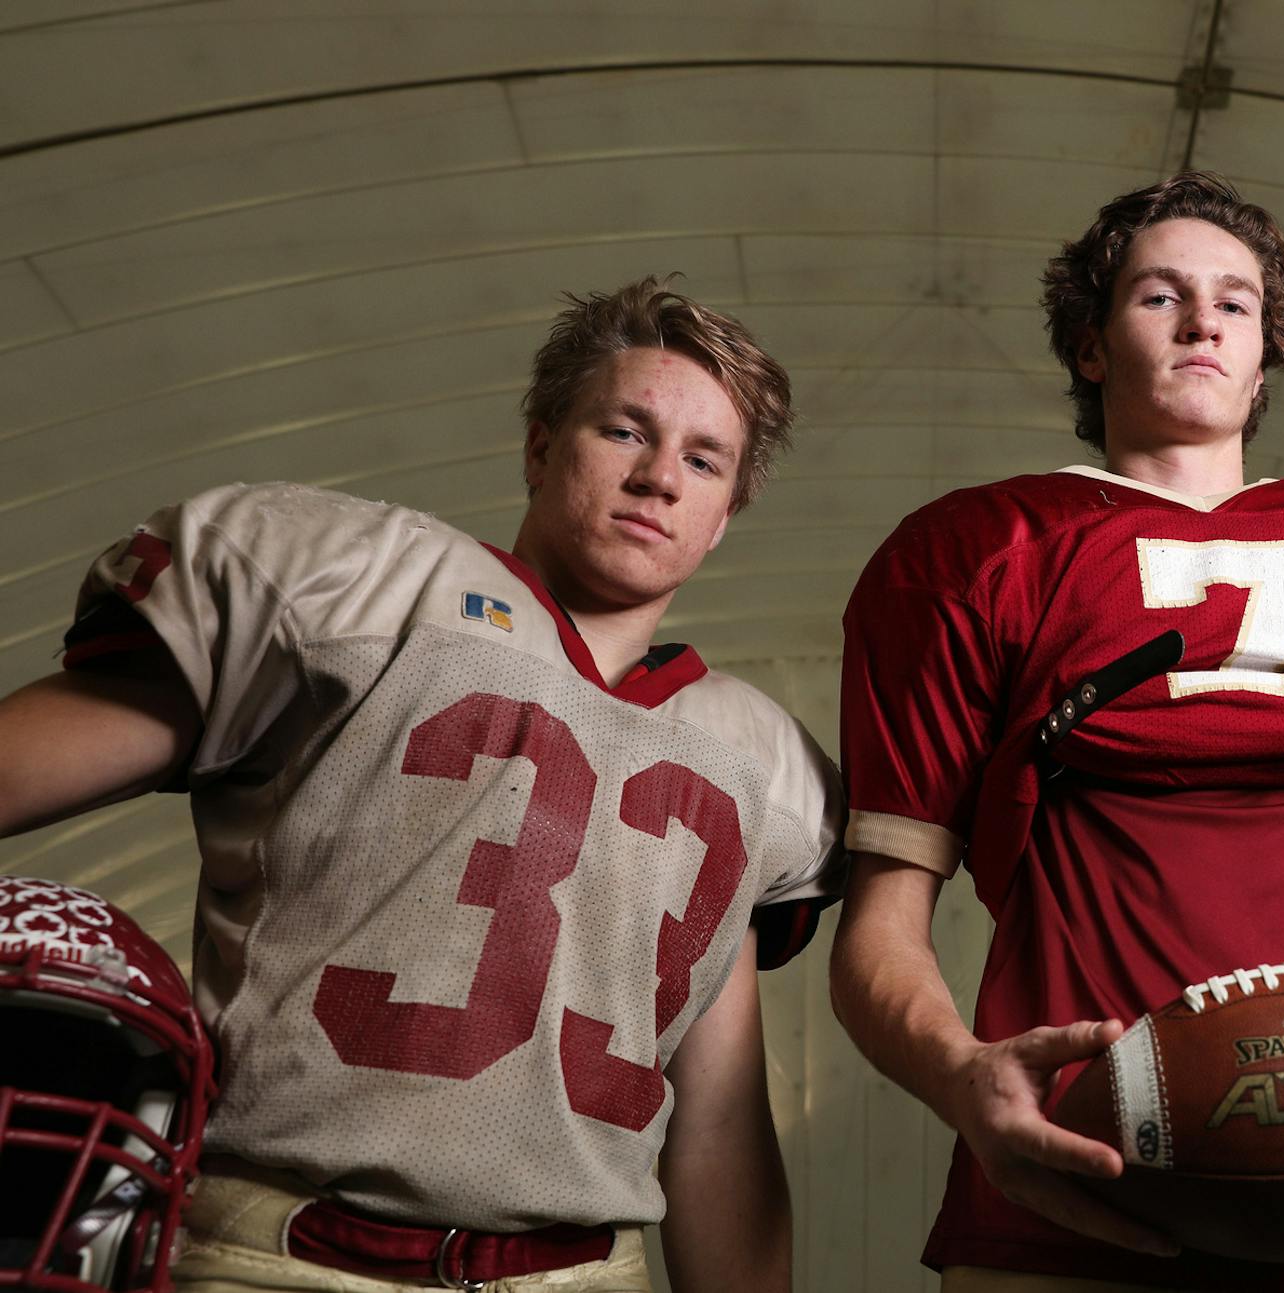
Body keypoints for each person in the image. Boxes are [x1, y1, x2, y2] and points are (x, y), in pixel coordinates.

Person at [0, 276, 843, 1293]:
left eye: (703, 461)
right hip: (282, 1259)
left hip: (581, 1278)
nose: (661, 477)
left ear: (723, 518)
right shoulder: (358, 591)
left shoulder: (754, 760)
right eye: (625, 431)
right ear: (541, 447)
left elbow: (717, 1128)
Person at [829, 172, 1284, 1293]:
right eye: (1160, 296)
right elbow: (881, 928)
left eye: (1237, 301)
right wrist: (961, 1078)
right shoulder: (967, 555)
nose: (1205, 318)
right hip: (1081, 1156)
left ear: (1267, 354)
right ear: (1089, 343)